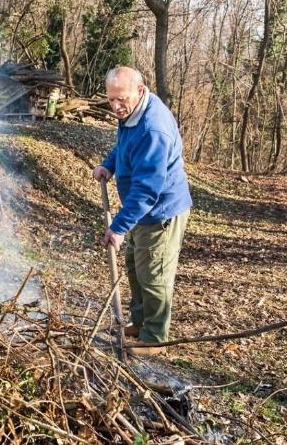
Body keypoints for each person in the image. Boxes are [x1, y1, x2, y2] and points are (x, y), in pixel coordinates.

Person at [93, 66, 192, 357]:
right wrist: (109, 164)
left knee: (154, 274)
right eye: (111, 100)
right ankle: (139, 322)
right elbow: (124, 145)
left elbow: (147, 188)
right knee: (136, 268)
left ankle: (154, 337)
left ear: (139, 90)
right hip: (141, 210)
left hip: (160, 211)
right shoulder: (131, 113)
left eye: (121, 99)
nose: (116, 106)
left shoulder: (153, 128)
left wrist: (120, 226)